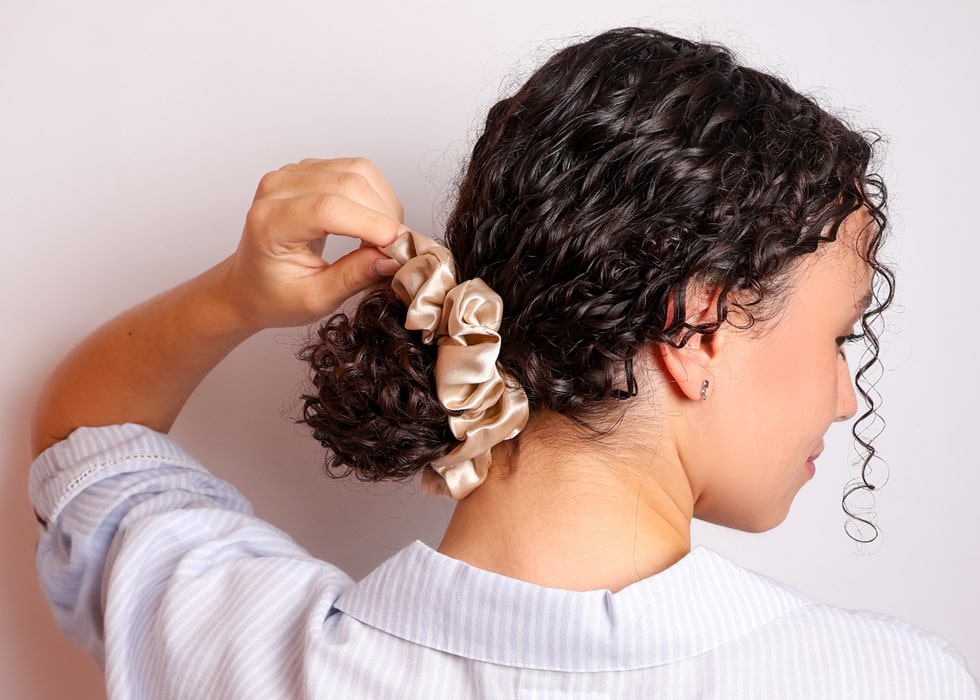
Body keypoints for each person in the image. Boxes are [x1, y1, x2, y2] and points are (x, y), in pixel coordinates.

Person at [29, 27, 977, 698]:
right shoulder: (886, 684)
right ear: (703, 325)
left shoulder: (238, 653)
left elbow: (84, 438)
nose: (847, 395)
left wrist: (237, 294)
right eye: (842, 335)